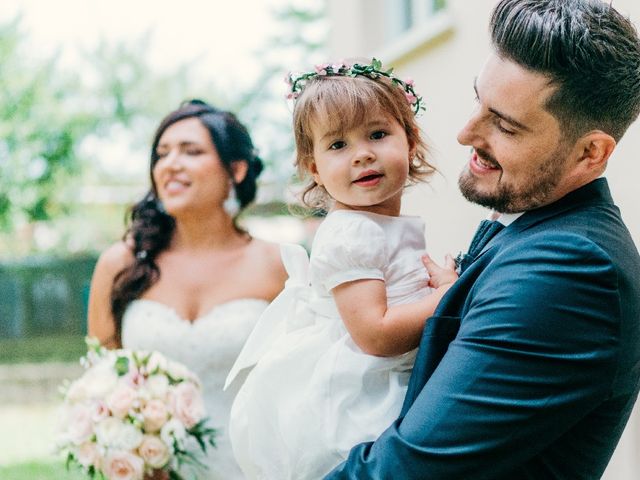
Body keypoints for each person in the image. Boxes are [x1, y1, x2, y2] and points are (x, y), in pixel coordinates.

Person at [325, 1, 640, 479]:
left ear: (590, 152)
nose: (464, 133)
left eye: (506, 126)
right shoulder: (536, 225)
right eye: (479, 102)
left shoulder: (572, 271)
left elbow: (405, 471)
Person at [224, 59, 459, 479]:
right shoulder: (350, 233)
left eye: (377, 134)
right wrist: (449, 297)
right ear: (314, 168)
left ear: (411, 141)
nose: (362, 154)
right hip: (363, 396)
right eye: (337, 145)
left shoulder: (375, 226)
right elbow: (376, 333)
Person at [87, 99, 287, 479]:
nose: (171, 164)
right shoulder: (120, 265)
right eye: (162, 154)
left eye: (191, 151)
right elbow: (101, 383)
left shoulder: (278, 265)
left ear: (237, 169)